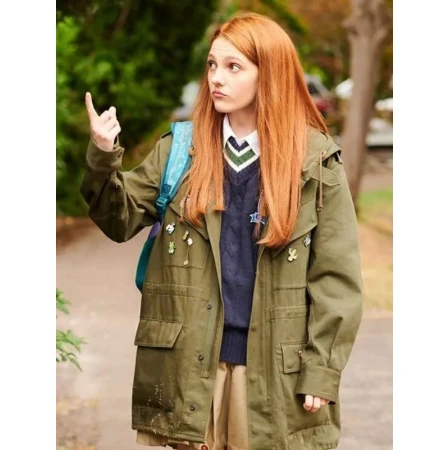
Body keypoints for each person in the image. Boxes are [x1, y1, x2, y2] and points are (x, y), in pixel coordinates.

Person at [80, 11, 363, 450]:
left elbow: (336, 279)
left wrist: (322, 371)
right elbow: (118, 219)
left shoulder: (316, 162)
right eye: (212, 64)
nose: (216, 77)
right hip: (189, 370)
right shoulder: (181, 151)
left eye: (234, 67)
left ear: (269, 73)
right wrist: (103, 154)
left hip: (274, 376)